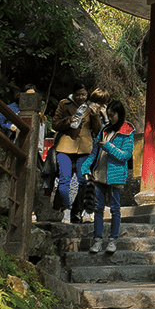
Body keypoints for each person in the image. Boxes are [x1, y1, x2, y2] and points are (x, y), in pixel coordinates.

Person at [82, 100, 134, 256]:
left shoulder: (128, 131)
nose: (110, 118)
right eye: (108, 115)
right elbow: (94, 152)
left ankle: (113, 240)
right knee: (98, 208)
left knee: (115, 209)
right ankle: (97, 239)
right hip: (99, 174)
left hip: (115, 175)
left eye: (112, 115)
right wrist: (85, 167)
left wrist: (109, 147)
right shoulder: (104, 130)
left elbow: (125, 155)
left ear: (120, 114)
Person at [52, 85, 102, 224]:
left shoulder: (89, 107)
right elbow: (55, 124)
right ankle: (66, 210)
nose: (81, 97)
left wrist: (95, 115)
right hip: (65, 146)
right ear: (73, 94)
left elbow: (97, 130)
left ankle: (81, 210)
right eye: (78, 95)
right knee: (64, 179)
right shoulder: (64, 104)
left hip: (85, 147)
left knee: (84, 180)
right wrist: (68, 120)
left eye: (84, 94)